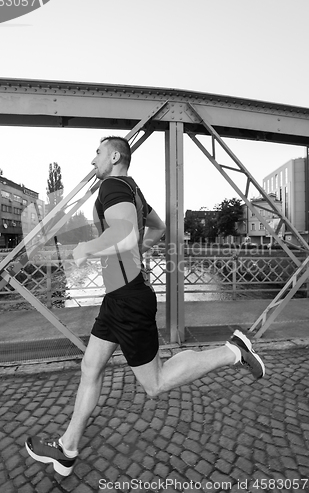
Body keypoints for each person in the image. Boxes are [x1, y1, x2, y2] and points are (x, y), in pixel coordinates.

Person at [25, 136, 265, 476]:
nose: (93, 160)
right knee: (90, 368)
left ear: (115, 156)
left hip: (127, 300)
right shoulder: (133, 191)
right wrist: (136, 251)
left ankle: (233, 351)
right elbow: (159, 228)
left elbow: (122, 236)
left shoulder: (111, 186)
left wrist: (86, 249)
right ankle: (67, 448)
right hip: (118, 298)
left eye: (98, 153)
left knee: (156, 383)